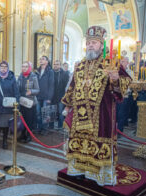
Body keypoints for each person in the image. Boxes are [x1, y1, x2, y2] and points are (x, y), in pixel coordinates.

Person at [62, 26, 131, 186]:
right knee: (79, 143)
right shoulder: (80, 65)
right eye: (89, 43)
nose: (90, 45)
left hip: (101, 115)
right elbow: (72, 86)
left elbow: (126, 82)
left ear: (102, 45)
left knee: (98, 143)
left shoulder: (110, 63)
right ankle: (78, 171)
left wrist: (115, 79)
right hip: (80, 115)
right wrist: (67, 106)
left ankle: (98, 176)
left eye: (94, 42)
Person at [0, 61, 19, 149]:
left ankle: (4, 141)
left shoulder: (12, 78)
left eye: (5, 67)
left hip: (8, 106)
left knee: (6, 126)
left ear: (7, 68)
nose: (3, 68)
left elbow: (16, 92)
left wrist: (16, 104)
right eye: (1, 67)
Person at [17, 61, 39, 143]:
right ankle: (22, 134)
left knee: (29, 121)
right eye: (23, 66)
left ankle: (29, 136)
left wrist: (31, 91)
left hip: (30, 103)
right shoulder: (20, 76)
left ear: (29, 67)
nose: (24, 68)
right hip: (22, 101)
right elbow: (17, 87)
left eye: (26, 66)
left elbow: (37, 90)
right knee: (22, 120)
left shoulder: (33, 76)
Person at [35, 56, 54, 135]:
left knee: (45, 114)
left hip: (46, 96)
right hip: (38, 95)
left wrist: (49, 97)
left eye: (43, 59)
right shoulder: (37, 71)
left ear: (47, 61)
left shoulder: (50, 71)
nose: (41, 60)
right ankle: (39, 128)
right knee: (38, 113)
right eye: (40, 59)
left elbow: (51, 85)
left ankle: (45, 129)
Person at [116, 56, 134, 133]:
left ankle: (119, 131)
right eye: (120, 61)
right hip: (116, 95)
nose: (121, 63)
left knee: (121, 114)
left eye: (123, 61)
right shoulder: (116, 71)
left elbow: (130, 85)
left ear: (127, 63)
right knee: (115, 113)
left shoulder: (130, 73)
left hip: (125, 96)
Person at [50, 60, 70, 130]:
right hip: (52, 96)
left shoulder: (64, 74)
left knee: (60, 112)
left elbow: (66, 86)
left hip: (61, 96)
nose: (55, 65)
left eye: (57, 64)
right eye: (54, 64)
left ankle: (60, 126)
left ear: (60, 65)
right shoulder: (51, 72)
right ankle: (51, 126)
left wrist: (64, 96)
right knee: (52, 111)